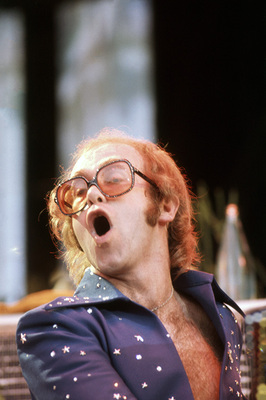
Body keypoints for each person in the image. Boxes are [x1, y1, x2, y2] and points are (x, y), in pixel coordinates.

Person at [16, 128, 246, 400]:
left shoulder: (220, 314)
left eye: (113, 178)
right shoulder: (55, 328)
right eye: (75, 193)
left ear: (165, 206)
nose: (90, 195)